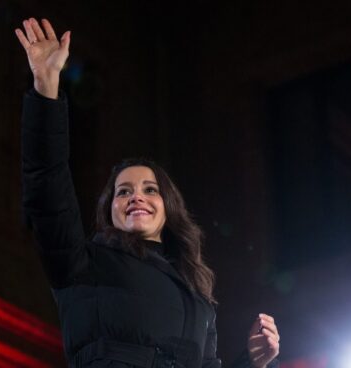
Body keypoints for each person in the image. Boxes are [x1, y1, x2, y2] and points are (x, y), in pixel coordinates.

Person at [15, 18, 281, 368]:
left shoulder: (198, 299)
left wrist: (255, 362)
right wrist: (46, 88)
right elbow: (47, 188)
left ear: (168, 207)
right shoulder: (83, 264)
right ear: (110, 210)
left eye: (150, 189)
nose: (136, 197)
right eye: (123, 192)